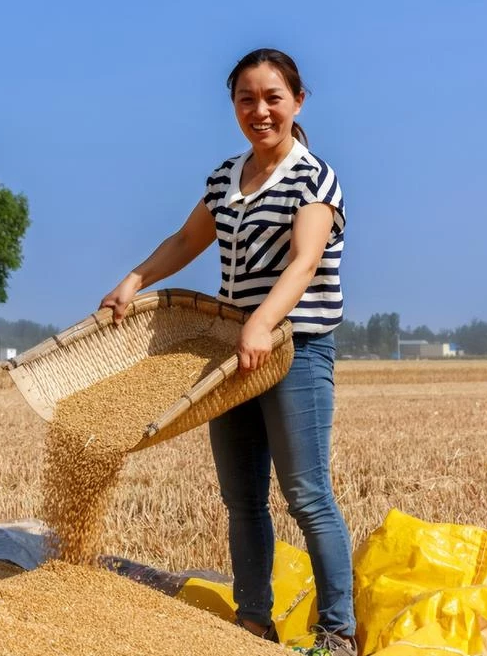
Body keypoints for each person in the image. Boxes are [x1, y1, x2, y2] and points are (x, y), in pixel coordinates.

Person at [100, 48, 357, 656]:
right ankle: (253, 622)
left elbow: (305, 262)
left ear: (297, 101)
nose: (260, 110)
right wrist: (136, 279)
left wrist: (262, 323)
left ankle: (339, 631)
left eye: (273, 98)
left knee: (306, 493)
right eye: (247, 99)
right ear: (234, 106)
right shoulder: (224, 177)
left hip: (295, 350)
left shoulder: (313, 177)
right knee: (241, 496)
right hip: (231, 351)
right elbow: (188, 239)